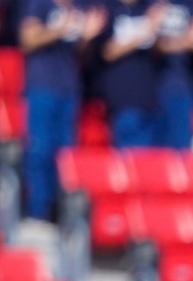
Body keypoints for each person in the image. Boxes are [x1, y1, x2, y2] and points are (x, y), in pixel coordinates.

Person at [18, 0, 105, 220]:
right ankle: (38, 212)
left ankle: (61, 214)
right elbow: (28, 40)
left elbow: (78, 54)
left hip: (69, 89)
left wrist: (86, 37)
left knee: (66, 155)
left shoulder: (78, 8)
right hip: (42, 87)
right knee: (40, 152)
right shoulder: (38, 4)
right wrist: (60, 29)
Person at [96, 0, 165, 148]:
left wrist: (156, 31)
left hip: (150, 98)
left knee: (149, 162)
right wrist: (146, 29)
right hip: (123, 100)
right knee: (129, 159)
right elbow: (108, 52)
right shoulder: (109, 8)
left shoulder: (147, 8)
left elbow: (159, 53)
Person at [155, 1, 193, 148]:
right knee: (147, 156)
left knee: (180, 152)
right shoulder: (149, 4)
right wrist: (186, 41)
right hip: (144, 90)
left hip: (183, 88)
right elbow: (151, 42)